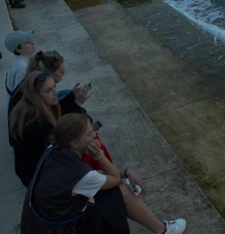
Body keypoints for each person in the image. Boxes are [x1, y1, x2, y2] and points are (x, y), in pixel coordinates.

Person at [21, 113, 187, 234]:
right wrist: (100, 155)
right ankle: (164, 230)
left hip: (40, 224)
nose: (95, 135)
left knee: (113, 186)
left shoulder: (53, 150)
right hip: (62, 228)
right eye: (88, 133)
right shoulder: (80, 174)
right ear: (74, 142)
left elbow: (93, 177)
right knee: (120, 190)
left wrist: (126, 172)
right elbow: (114, 179)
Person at [9, 71, 59, 186]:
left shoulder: (25, 108)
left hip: (30, 173)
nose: (55, 92)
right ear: (36, 95)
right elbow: (54, 155)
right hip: (38, 179)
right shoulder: (37, 123)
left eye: (54, 87)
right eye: (48, 90)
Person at [4, 30, 34, 105]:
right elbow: (21, 96)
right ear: (18, 49)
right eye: (27, 42)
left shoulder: (19, 61)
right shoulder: (23, 68)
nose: (32, 43)